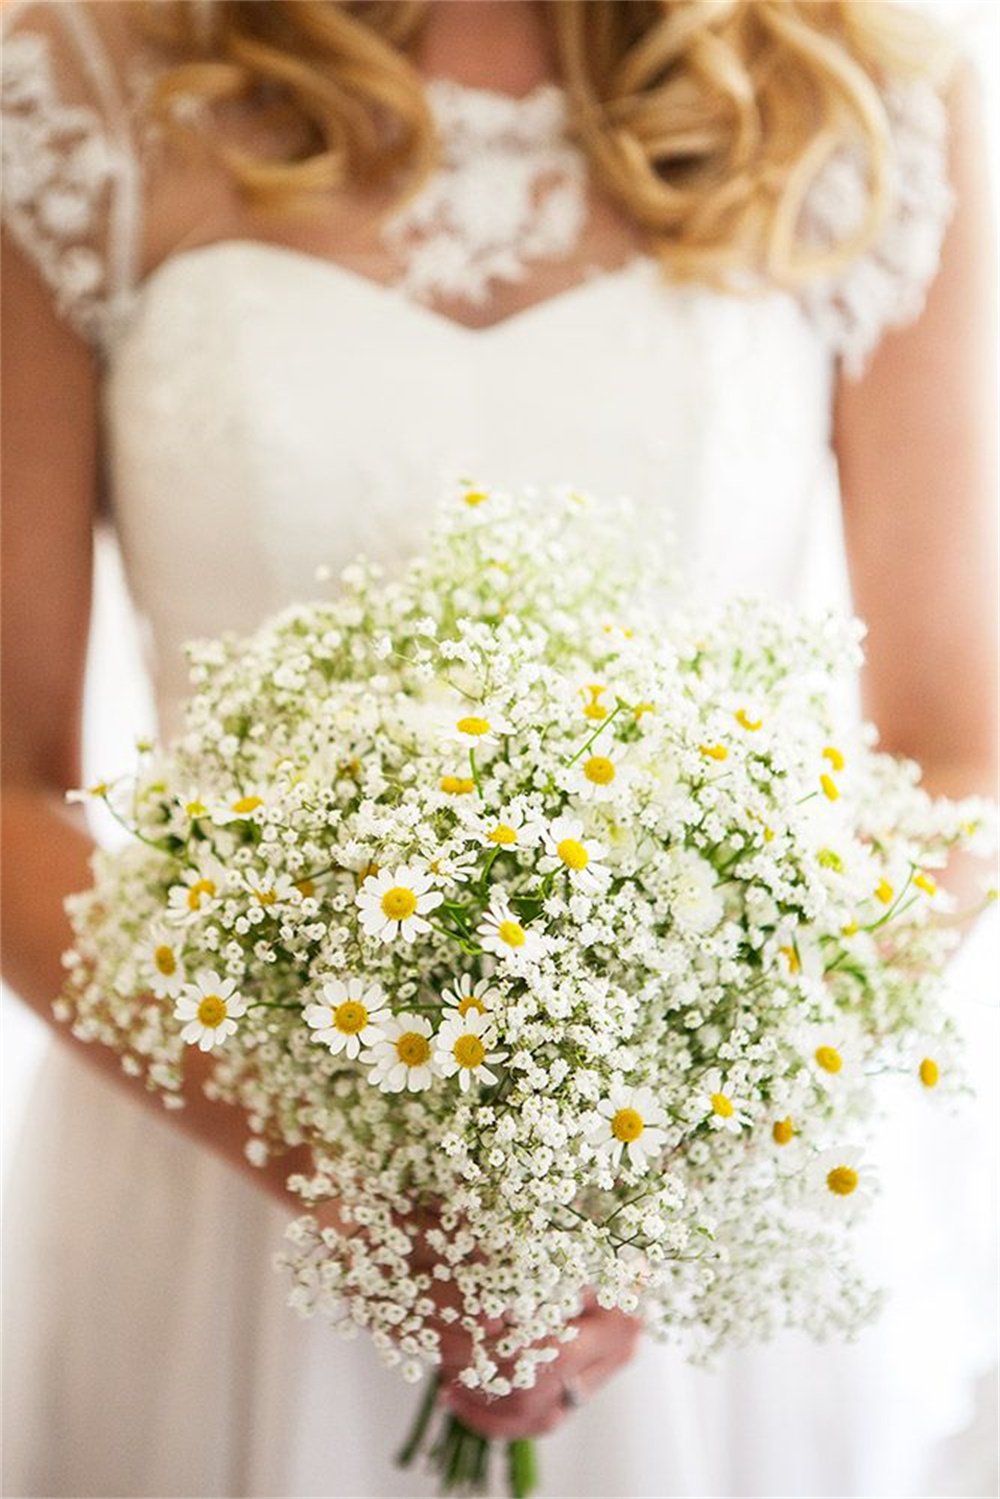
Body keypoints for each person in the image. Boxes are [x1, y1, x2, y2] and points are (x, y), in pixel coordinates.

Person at [1, 1, 996, 1494]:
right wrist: (355, 1178)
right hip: (218, 1158)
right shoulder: (69, 87)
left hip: (692, 1204)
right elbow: (9, 778)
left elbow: (952, 756)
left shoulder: (860, 92)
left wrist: (661, 1177)